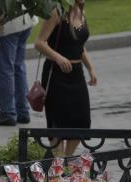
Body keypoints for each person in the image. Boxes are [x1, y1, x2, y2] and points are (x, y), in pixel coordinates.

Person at [34, 0, 97, 156]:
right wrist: (58, 58)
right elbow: (39, 42)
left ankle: (66, 161)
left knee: (81, 120)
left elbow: (79, 45)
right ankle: (58, 163)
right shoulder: (57, 12)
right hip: (56, 74)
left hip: (76, 73)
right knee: (58, 121)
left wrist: (90, 68)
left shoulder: (82, 11)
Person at [0, 12, 38, 126]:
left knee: (4, 70)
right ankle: (22, 111)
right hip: (25, 19)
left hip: (8, 25)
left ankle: (8, 113)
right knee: (18, 67)